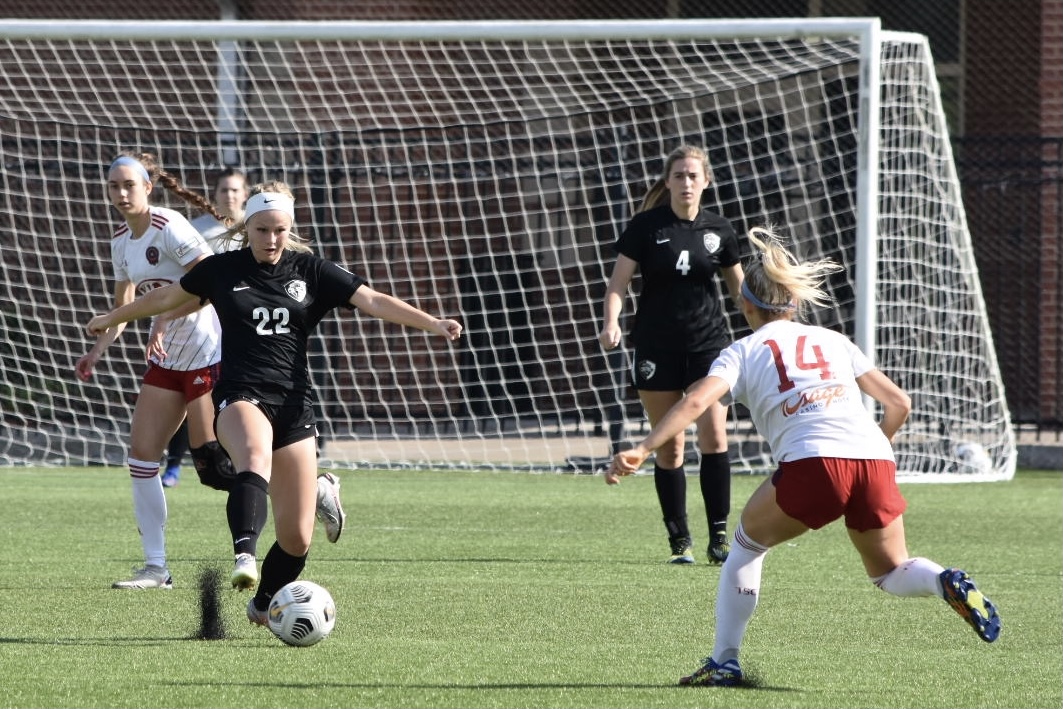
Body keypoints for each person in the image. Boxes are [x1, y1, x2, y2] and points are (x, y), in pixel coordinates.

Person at [608, 226, 1001, 687]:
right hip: (874, 460)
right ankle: (944, 580)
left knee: (745, 547)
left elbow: (697, 402)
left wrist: (642, 447)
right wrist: (876, 450)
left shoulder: (741, 350)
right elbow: (900, 404)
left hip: (814, 462)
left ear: (745, 305)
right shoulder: (833, 340)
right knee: (892, 571)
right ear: (792, 304)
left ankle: (724, 661)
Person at [86, 187, 463, 623]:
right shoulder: (221, 269)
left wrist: (433, 323)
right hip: (240, 394)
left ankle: (263, 603)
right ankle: (244, 556)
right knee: (252, 456)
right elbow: (164, 298)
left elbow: (373, 300)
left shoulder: (312, 270)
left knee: (298, 537)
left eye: (280, 230)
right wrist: (111, 318)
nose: (271, 238)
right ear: (247, 229)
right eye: (262, 230)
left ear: (290, 229)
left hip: (294, 405)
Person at [76, 151, 236, 589]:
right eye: (114, 186)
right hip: (166, 361)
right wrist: (98, 352)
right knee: (141, 458)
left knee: (214, 465)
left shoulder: (170, 227)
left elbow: (210, 286)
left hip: (206, 351)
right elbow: (125, 308)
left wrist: (163, 319)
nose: (122, 192)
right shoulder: (120, 241)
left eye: (130, 184)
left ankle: (309, 488)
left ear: (149, 187)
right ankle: (156, 568)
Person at [599, 144, 743, 565]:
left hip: (709, 346)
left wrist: (768, 327)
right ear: (668, 181)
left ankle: (720, 539)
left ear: (706, 181)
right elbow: (617, 285)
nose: (685, 183)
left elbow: (738, 292)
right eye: (678, 175)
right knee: (669, 448)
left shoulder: (720, 229)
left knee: (715, 437)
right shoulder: (646, 226)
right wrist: (611, 323)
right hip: (656, 345)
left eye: (693, 176)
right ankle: (680, 542)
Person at [161, 167, 251, 489]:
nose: (229, 195)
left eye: (235, 190)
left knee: (235, 398)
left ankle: (246, 461)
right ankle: (174, 464)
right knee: (192, 396)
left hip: (242, 329)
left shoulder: (254, 231)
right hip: (201, 329)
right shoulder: (195, 230)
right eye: (224, 190)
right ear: (214, 194)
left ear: (245, 195)